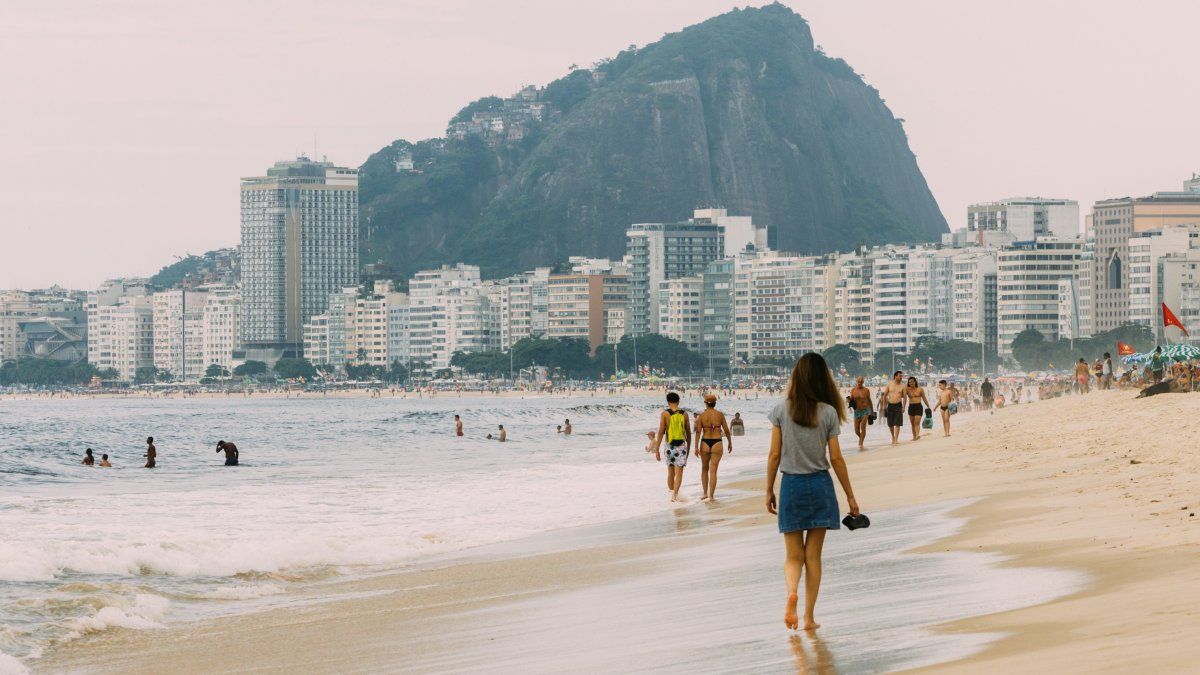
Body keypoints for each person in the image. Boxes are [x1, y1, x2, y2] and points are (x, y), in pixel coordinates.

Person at [765, 353, 859, 632]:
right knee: (813, 557)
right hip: (820, 486)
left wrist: (769, 489)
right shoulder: (828, 412)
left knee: (793, 556)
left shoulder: (781, 410)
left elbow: (774, 455)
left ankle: (791, 593)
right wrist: (850, 495)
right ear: (822, 379)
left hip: (791, 485)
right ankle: (808, 618)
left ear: (796, 377)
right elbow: (836, 458)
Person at [652, 391, 691, 502]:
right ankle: (675, 495)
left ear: (668, 402)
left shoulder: (665, 414)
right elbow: (688, 433)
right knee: (679, 473)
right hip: (681, 446)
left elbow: (661, 432)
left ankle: (671, 493)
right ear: (678, 401)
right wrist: (688, 448)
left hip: (669, 446)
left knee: (670, 472)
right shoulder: (684, 414)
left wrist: (657, 450)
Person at [693, 393, 733, 502]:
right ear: (715, 403)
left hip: (705, 442)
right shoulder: (720, 415)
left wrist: (696, 446)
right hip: (717, 442)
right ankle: (711, 496)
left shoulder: (702, 415)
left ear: (705, 403)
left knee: (704, 468)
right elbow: (726, 430)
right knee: (713, 471)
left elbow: (698, 432)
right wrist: (729, 442)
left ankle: (705, 494)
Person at [848, 376, 873, 449]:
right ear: (856, 381)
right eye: (858, 382)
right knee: (856, 430)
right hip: (857, 411)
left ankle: (861, 443)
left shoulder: (866, 390)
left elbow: (870, 401)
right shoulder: (853, 390)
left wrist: (872, 411)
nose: (859, 383)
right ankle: (861, 437)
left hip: (865, 410)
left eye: (861, 382)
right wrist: (849, 401)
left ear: (863, 382)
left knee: (863, 427)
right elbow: (851, 400)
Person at [883, 371, 906, 445]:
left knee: (898, 423)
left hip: (898, 405)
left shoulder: (903, 385)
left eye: (901, 376)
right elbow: (885, 395)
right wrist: (884, 405)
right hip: (890, 405)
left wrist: (904, 407)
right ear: (895, 376)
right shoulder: (889, 384)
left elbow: (905, 397)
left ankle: (896, 439)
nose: (901, 377)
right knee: (890, 424)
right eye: (900, 376)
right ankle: (893, 436)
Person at [905, 377, 931, 441]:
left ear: (915, 382)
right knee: (912, 423)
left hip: (918, 406)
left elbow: (924, 398)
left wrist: (928, 406)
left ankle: (917, 435)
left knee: (916, 422)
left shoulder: (920, 389)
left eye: (912, 382)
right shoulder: (907, 389)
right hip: (911, 407)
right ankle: (914, 436)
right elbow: (902, 396)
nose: (911, 383)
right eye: (909, 382)